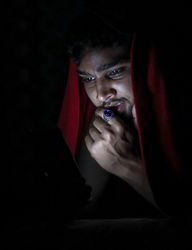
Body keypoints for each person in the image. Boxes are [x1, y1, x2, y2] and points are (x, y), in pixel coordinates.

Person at [58, 9, 192, 236]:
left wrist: (126, 164)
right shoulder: (107, 125)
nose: (101, 95)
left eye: (115, 72)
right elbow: (79, 209)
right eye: (88, 79)